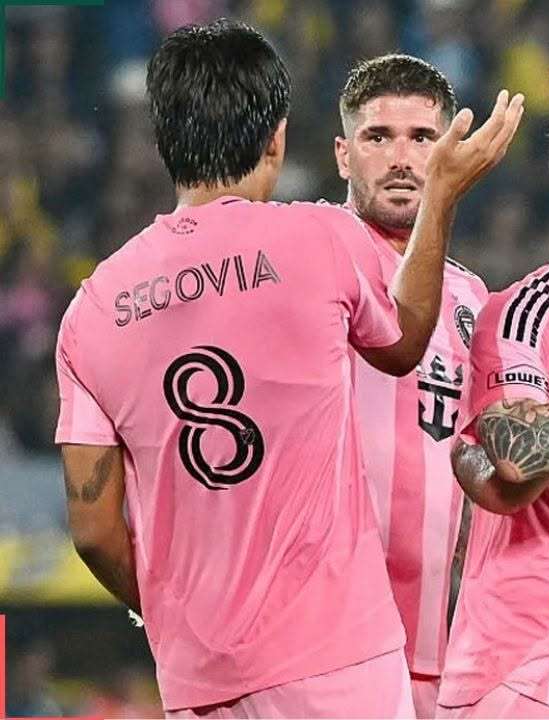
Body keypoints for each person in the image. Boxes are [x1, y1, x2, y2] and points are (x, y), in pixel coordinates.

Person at [54, 20, 521, 719]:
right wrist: (444, 196)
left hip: (199, 680)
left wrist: (173, 618)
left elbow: (94, 532)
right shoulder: (316, 238)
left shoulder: (91, 310)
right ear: (277, 139)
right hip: (334, 656)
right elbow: (402, 342)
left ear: (162, 142)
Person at [334, 53, 490, 719]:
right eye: (379, 137)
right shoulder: (307, 258)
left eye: (423, 138)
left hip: (436, 649)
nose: (402, 159)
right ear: (343, 155)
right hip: (322, 646)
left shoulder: (473, 298)